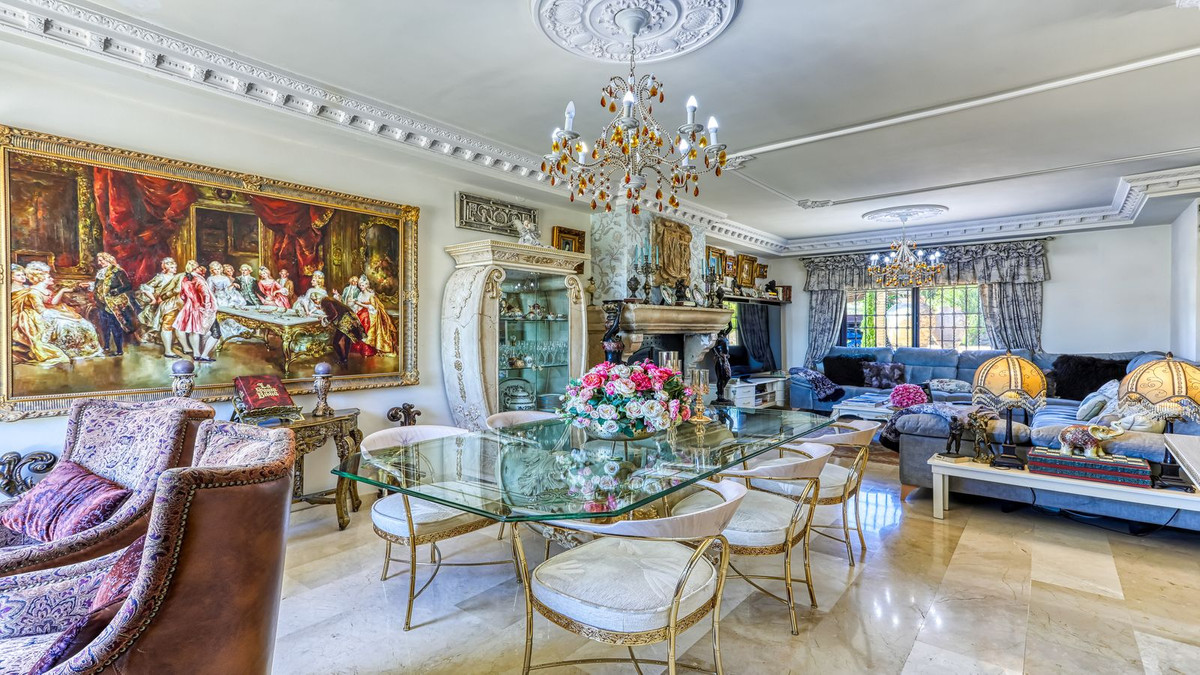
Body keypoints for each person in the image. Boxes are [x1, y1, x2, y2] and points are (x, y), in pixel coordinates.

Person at [22, 261, 104, 361]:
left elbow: (53, 302)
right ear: (41, 278)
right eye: (49, 277)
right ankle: (71, 351)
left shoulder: (47, 290)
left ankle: (86, 350)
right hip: (43, 317)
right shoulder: (33, 293)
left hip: (52, 312)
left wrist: (62, 290)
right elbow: (42, 312)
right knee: (65, 325)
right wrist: (64, 316)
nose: (52, 279)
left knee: (83, 323)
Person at [92, 252, 139, 356]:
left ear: (107, 259)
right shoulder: (100, 273)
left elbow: (127, 285)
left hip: (114, 304)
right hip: (102, 305)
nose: (99, 263)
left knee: (116, 326)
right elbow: (97, 286)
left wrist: (116, 291)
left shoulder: (118, 271)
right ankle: (106, 346)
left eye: (101, 260)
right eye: (98, 261)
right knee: (104, 326)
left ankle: (119, 349)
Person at [138, 257, 185, 358]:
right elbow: (146, 288)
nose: (175, 269)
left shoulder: (177, 277)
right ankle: (168, 350)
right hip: (165, 304)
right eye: (172, 267)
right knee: (166, 325)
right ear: (166, 267)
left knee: (178, 325)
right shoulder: (161, 277)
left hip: (177, 304)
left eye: (175, 267)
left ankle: (181, 347)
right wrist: (153, 299)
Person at [349, 276, 397, 356]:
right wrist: (355, 306)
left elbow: (372, 307)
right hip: (362, 312)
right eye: (360, 285)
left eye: (363, 285)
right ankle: (358, 347)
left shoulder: (371, 295)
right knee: (356, 321)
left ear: (367, 285)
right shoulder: (360, 294)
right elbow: (358, 306)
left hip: (370, 313)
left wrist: (358, 303)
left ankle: (368, 349)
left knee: (365, 319)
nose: (361, 287)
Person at [318, 295, 364, 365]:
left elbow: (334, 314)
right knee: (347, 341)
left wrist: (325, 319)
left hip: (344, 323)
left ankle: (342, 359)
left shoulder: (328, 303)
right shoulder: (336, 303)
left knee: (335, 343)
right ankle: (345, 359)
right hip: (350, 322)